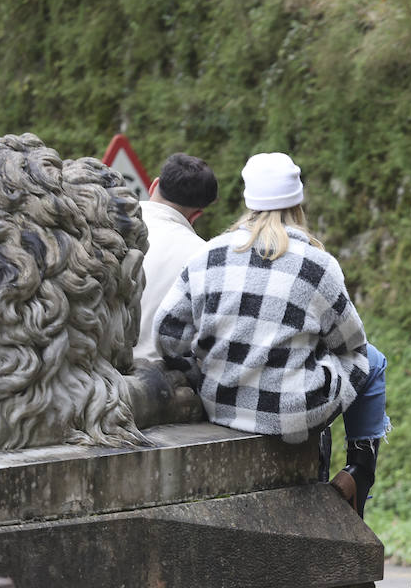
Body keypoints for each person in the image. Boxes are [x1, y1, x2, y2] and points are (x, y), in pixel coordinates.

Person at [154, 152, 388, 513]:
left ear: (248, 200)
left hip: (221, 404)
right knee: (372, 359)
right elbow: (351, 345)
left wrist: (203, 367)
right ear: (298, 201)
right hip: (294, 414)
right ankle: (361, 468)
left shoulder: (208, 255)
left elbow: (168, 336)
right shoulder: (318, 265)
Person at [133, 153, 216, 365]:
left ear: (154, 186)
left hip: (95, 375)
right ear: (197, 215)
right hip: (162, 383)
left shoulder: (106, 229)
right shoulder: (204, 256)